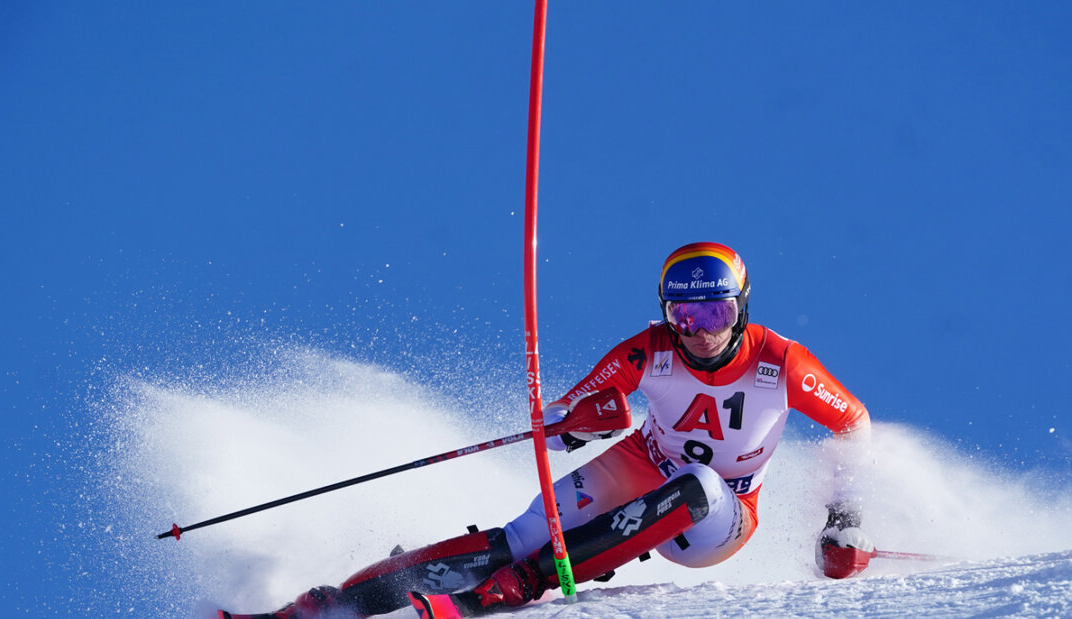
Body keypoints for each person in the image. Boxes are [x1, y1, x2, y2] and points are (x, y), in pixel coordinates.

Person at [221, 242, 874, 619]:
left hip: (717, 516)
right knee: (524, 531)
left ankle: (515, 587)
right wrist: (581, 421)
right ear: (666, 313)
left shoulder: (779, 361)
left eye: (715, 309)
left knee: (697, 482)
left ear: (741, 307)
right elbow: (568, 414)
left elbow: (855, 424)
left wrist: (842, 520)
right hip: (643, 466)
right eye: (684, 312)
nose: (701, 328)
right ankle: (330, 605)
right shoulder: (650, 349)